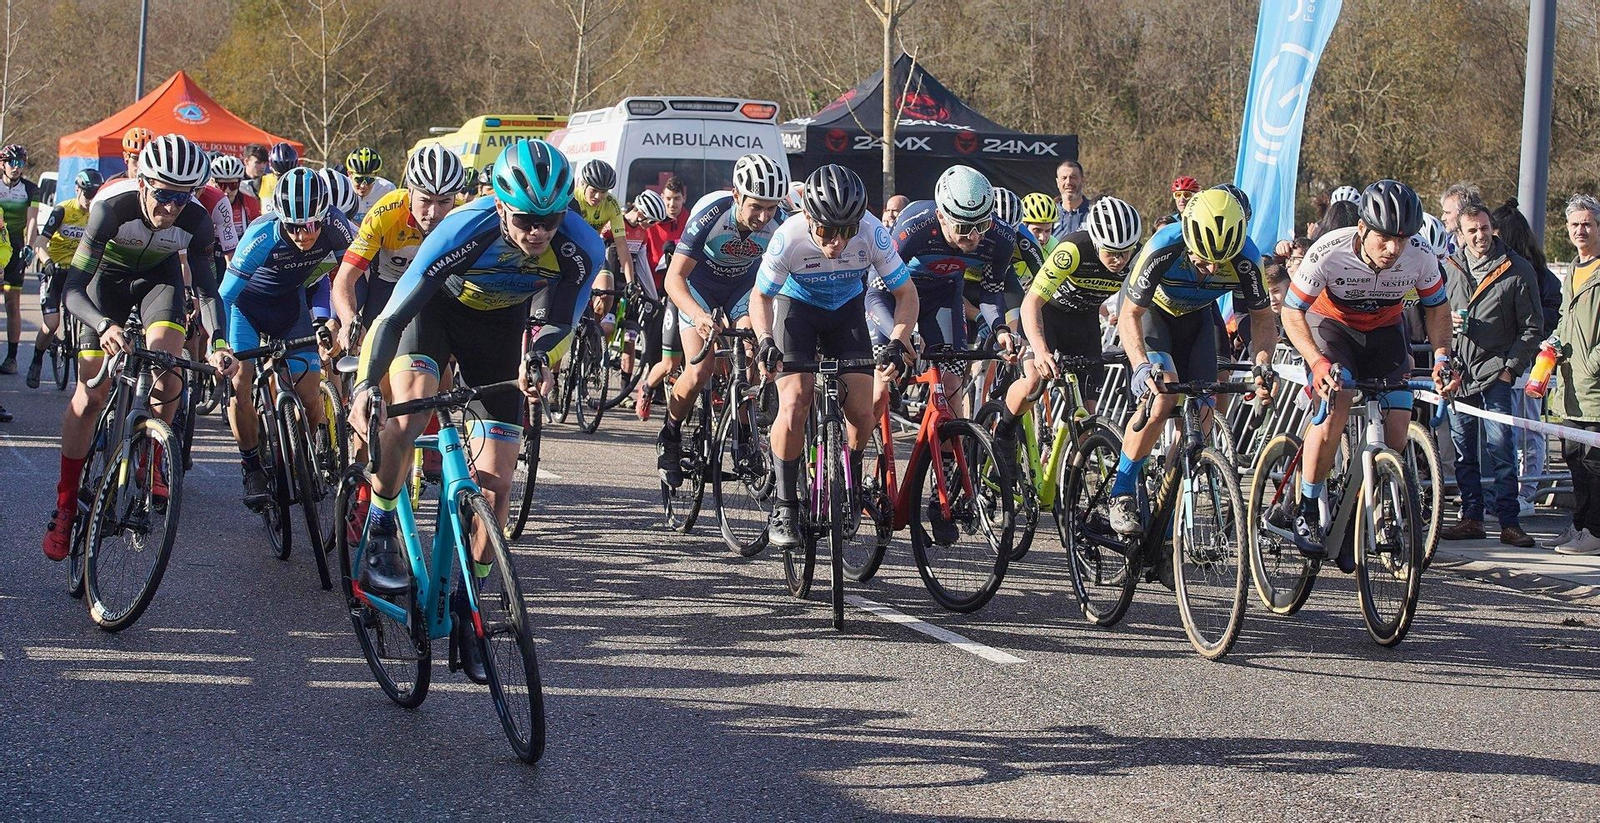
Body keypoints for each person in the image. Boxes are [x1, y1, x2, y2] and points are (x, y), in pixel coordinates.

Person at [348, 138, 603, 602]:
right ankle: (382, 523)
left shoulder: (581, 246)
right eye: (526, 220)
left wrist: (542, 358)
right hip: (434, 317)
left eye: (550, 220)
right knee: (407, 417)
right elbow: (393, 317)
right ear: (502, 207)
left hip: (500, 328)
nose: (539, 233)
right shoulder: (463, 229)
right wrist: (366, 384)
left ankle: (473, 598)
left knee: (497, 485)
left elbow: (563, 320)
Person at [43, 134, 235, 561]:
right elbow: (73, 289)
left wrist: (219, 343)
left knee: (170, 364)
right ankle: (66, 504)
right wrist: (102, 324)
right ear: (144, 181)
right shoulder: (111, 207)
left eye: (181, 198)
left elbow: (206, 292)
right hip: (103, 284)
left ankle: (149, 452)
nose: (169, 208)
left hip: (157, 280)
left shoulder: (197, 221)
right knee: (90, 396)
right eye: (163, 194)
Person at [1270, 180, 1456, 563]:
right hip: (1331, 328)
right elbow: (1291, 311)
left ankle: (1357, 510)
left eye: (1402, 239)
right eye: (1385, 238)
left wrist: (1441, 357)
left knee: (1397, 430)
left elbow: (1437, 308)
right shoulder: (1327, 250)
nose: (1394, 249)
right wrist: (1318, 364)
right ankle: (1307, 506)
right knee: (1337, 400)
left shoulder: (1419, 255)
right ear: (1362, 229)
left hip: (1385, 330)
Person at [752, 165, 918, 545]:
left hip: (846, 310)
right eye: (827, 231)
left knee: (861, 410)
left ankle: (849, 478)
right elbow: (760, 296)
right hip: (797, 309)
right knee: (795, 401)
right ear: (808, 217)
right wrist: (764, 339)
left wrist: (897, 338)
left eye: (847, 231)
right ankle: (786, 503)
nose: (837, 243)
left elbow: (906, 294)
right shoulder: (788, 238)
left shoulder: (873, 232)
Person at [1107, 188, 1277, 542]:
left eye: (1220, 262)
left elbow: (1262, 319)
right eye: (1202, 262)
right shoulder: (1164, 245)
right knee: (1163, 394)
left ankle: (1165, 509)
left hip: (1195, 317)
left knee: (1203, 411)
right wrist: (1140, 365)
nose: (1213, 269)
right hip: (1150, 313)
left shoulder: (1247, 257)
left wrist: (1263, 364)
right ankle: (1121, 491)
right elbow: (1130, 314)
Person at [221, 168, 355, 506]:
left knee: (310, 396)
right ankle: (251, 467)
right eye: (294, 226)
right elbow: (224, 295)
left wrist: (338, 321)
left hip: (289, 308)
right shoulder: (262, 234)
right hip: (246, 309)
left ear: (324, 216)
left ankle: (301, 457)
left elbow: (353, 277)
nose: (303, 234)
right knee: (241, 385)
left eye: (311, 225)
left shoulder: (336, 226)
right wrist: (220, 346)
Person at [655, 154, 788, 487]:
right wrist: (699, 315)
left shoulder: (781, 221)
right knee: (701, 368)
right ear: (737, 197)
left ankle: (743, 437)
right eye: (756, 206)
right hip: (697, 287)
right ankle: (670, 434)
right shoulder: (710, 216)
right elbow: (673, 280)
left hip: (742, 289)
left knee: (750, 350)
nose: (764, 216)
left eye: (771, 208)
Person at [997, 197, 1143, 476]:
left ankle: (1073, 483)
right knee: (1033, 381)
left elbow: (1136, 310)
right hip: (1048, 316)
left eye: (1125, 252)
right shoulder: (1072, 249)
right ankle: (1003, 432)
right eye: (1111, 252)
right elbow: (1031, 303)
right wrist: (1040, 351)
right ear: (1097, 242)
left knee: (1088, 410)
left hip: (1084, 323)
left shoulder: (1135, 258)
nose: (1119, 260)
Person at [871, 166, 1022, 420]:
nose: (974, 237)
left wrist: (1000, 328)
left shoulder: (1001, 237)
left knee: (952, 387)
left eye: (981, 225)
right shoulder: (915, 225)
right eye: (963, 228)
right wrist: (901, 336)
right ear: (942, 217)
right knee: (880, 390)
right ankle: (856, 453)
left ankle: (949, 457)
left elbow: (992, 292)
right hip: (895, 296)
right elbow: (877, 291)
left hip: (944, 294)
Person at [1438, 201, 1542, 547]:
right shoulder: (1450, 267)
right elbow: (1429, 309)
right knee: (1464, 451)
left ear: (1491, 228)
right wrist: (1446, 324)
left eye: (1484, 228)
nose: (1480, 235)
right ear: (1461, 234)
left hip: (1497, 372)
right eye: (1473, 230)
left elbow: (1532, 328)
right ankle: (1471, 517)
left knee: (1501, 449)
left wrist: (1511, 370)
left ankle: (1509, 522)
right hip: (1459, 373)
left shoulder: (1517, 268)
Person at [332, 143, 464, 344]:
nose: (434, 213)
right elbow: (345, 278)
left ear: (456, 198)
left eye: (444, 202)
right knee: (370, 344)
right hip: (389, 283)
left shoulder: (464, 216)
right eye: (426, 200)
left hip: (437, 287)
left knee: (441, 353)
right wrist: (348, 319)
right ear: (410, 192)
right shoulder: (387, 213)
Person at [1492, 200, 1563, 517]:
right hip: (1500, 362)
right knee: (1503, 432)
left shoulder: (1541, 277)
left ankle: (1528, 492)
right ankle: (1505, 492)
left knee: (1528, 431)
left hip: (1530, 364)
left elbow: (1545, 319)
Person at [1549, 195, 1600, 555]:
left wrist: (1593, 365)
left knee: (1594, 464)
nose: (1580, 230)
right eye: (1574, 225)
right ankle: (1580, 523)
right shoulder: (1573, 268)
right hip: (1569, 387)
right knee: (1574, 460)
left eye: (1587, 224)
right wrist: (1552, 343)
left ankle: (1595, 530)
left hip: (1594, 387)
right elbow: (1567, 321)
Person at [25, 170, 101, 388]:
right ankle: (37, 359)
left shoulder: (97, 212)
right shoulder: (62, 210)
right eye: (88, 195)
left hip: (80, 273)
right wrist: (47, 262)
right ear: (78, 190)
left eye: (95, 195)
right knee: (51, 324)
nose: (90, 201)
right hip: (56, 271)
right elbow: (40, 242)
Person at [635, 176, 690, 419]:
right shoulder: (654, 219)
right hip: (662, 292)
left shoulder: (693, 220)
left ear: (684, 198)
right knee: (668, 359)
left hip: (693, 294)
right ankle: (648, 388)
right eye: (668, 198)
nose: (672, 203)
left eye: (676, 199)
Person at [0, 143, 40, 374]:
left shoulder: (30, 189)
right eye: (12, 163)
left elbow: (32, 219)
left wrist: (29, 246)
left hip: (15, 247)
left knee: (12, 303)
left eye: (20, 163)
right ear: (2, 164)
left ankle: (12, 358)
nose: (16, 168)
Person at [210, 154, 262, 244]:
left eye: (232, 185)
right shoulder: (205, 202)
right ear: (213, 183)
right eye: (222, 186)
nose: (227, 190)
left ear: (240, 183)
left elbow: (257, 234)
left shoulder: (250, 202)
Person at [345, 146, 396, 222]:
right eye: (358, 179)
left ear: (376, 174)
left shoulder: (388, 190)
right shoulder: (342, 188)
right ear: (349, 174)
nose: (363, 186)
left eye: (369, 180)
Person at [257, 142, 299, 215]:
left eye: (288, 176)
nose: (282, 180)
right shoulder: (261, 182)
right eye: (278, 175)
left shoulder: (301, 184)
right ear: (270, 166)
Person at [1051, 159, 1089, 238]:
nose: (1068, 182)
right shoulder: (1050, 214)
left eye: (1073, 177)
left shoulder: (1094, 213)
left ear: (1082, 180)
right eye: (1064, 178)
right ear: (1057, 182)